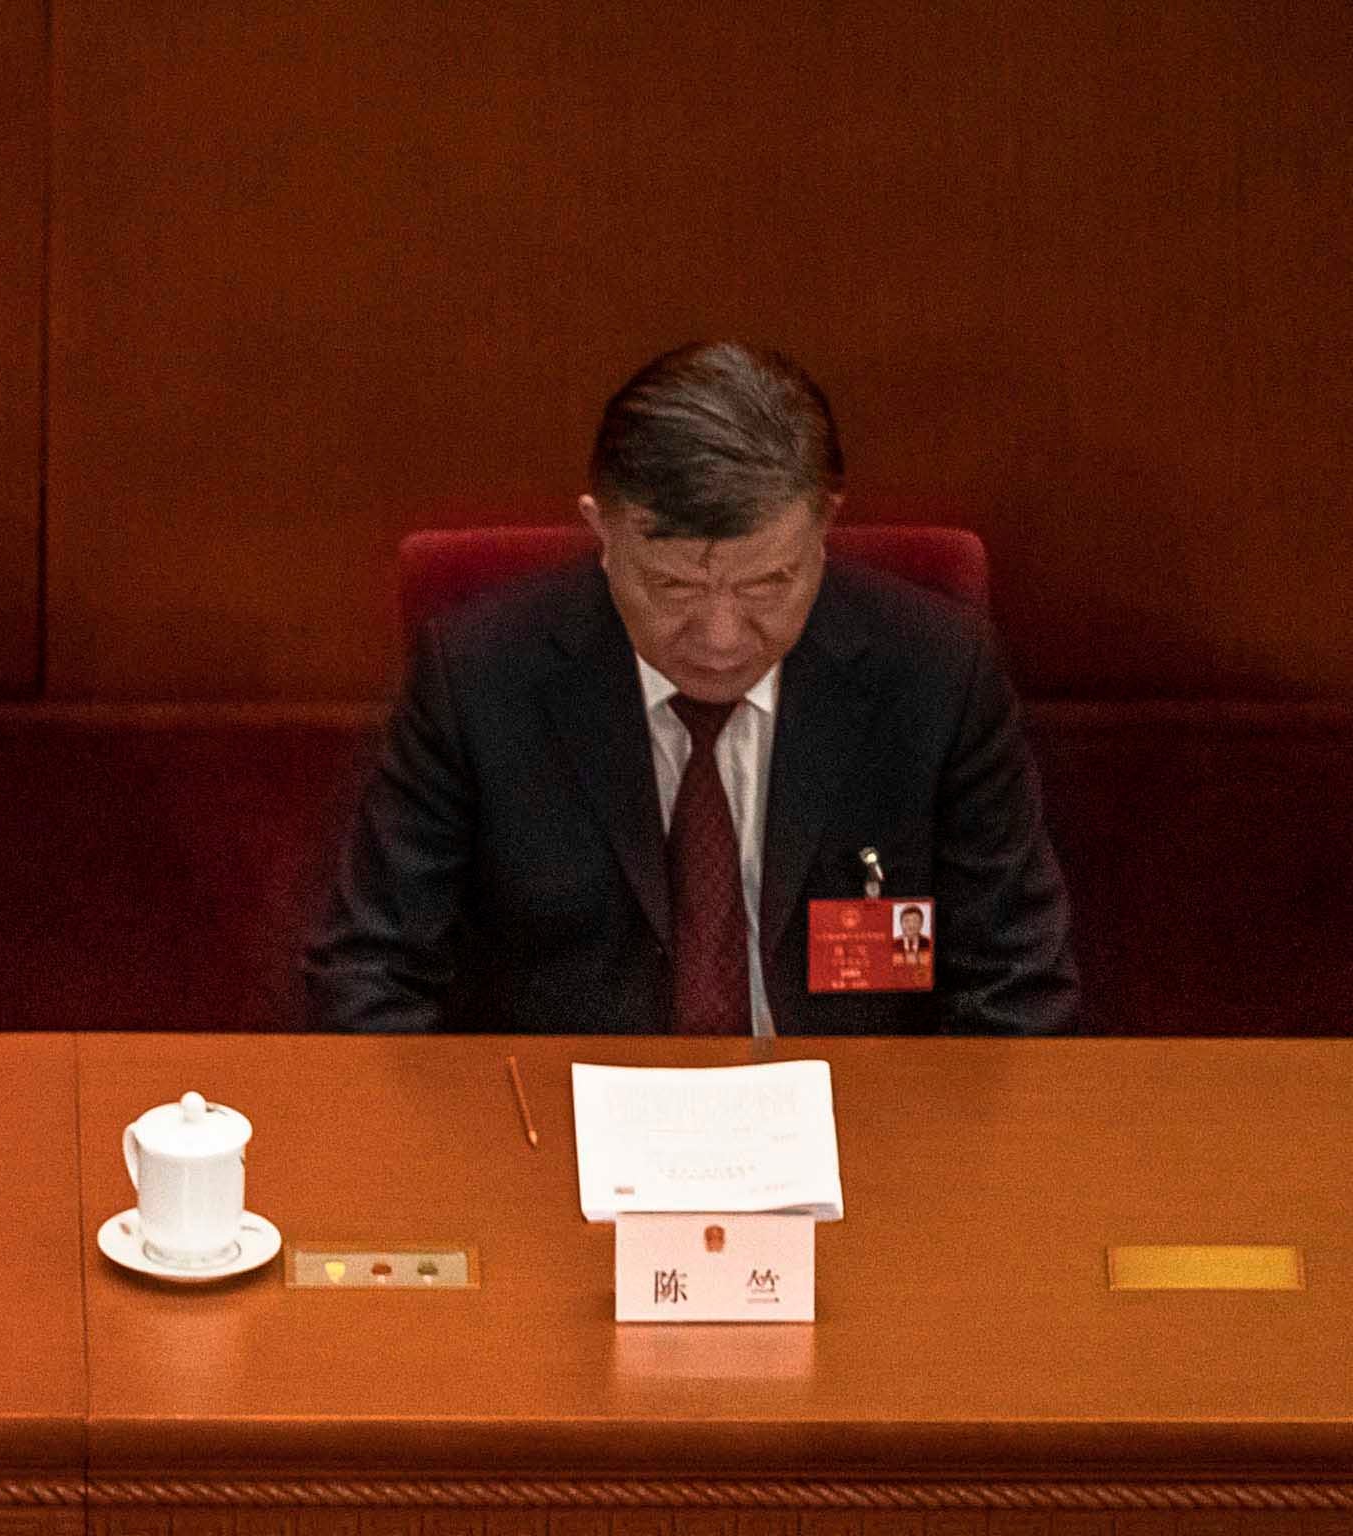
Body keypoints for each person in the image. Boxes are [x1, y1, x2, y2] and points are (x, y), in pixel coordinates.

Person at [306, 340, 1075, 1036]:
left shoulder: (935, 672)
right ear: (601, 533)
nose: (720, 638)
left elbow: (1016, 989)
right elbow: (371, 975)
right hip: (557, 1139)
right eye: (674, 587)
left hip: (858, 1139)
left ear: (825, 528)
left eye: (768, 582)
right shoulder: (478, 675)